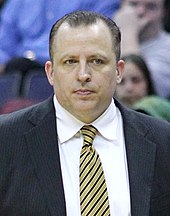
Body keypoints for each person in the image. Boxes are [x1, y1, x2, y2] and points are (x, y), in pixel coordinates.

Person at [0, 11, 170, 216]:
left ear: (118, 71)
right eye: (70, 61)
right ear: (50, 72)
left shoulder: (163, 140)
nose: (83, 75)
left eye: (97, 61)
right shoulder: (6, 140)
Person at [0, 0, 120, 75]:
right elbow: (3, 44)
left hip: (69, 67)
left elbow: (98, 38)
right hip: (14, 70)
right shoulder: (17, 2)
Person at [113, 0, 170, 99]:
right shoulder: (104, 40)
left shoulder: (167, 47)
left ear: (164, 12)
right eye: (133, 4)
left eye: (151, 7)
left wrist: (127, 33)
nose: (140, 12)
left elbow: (140, 92)